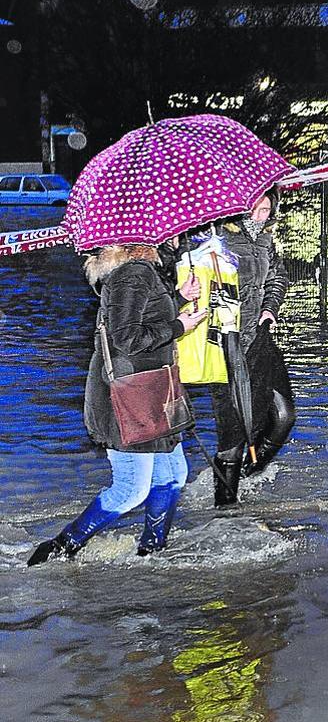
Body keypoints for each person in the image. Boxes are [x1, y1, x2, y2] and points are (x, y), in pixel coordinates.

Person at [27, 241, 207, 565]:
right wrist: (181, 326)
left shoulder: (141, 270)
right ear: (143, 238)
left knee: (173, 474)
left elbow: (141, 316)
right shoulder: (134, 273)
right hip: (130, 396)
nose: (179, 237)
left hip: (152, 391)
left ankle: (152, 551)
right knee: (131, 489)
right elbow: (127, 339)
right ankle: (61, 547)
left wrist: (180, 297)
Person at [208, 190, 294, 507]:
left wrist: (269, 308)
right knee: (232, 434)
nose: (260, 216)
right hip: (225, 345)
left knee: (283, 415)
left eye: (266, 209)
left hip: (259, 338)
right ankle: (225, 508)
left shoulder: (265, 240)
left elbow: (277, 277)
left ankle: (249, 472)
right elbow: (196, 285)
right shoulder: (215, 237)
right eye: (255, 209)